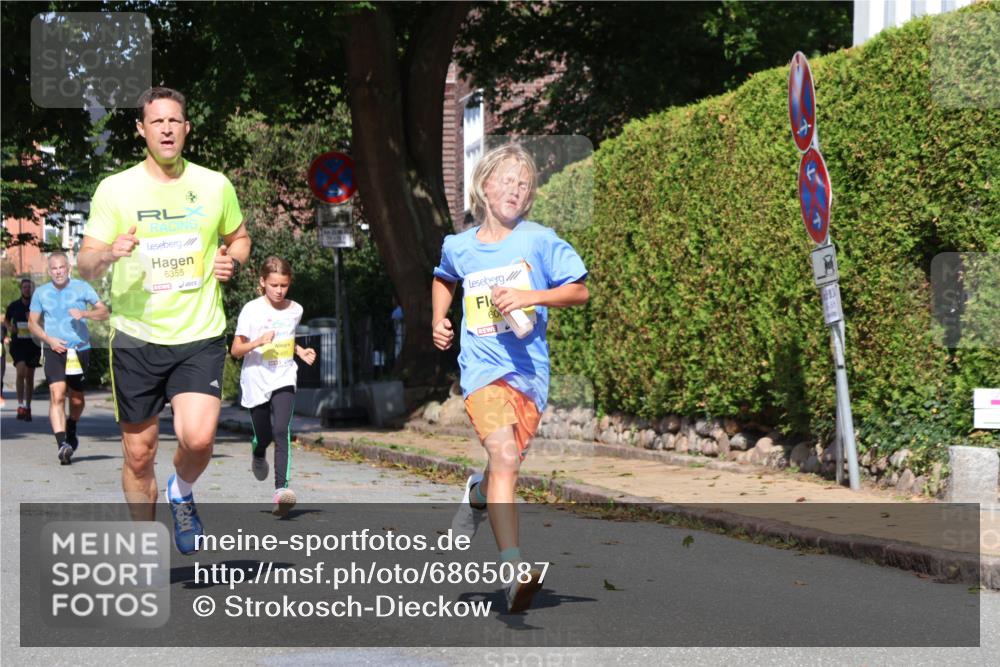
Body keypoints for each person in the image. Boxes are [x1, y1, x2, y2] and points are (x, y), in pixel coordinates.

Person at [77, 86, 250, 554]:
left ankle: (181, 490)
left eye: (175, 121)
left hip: (199, 332)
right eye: (157, 121)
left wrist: (231, 261)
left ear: (186, 128)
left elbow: (239, 238)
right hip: (136, 337)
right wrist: (109, 253)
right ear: (142, 130)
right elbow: (85, 264)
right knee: (139, 455)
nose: (167, 129)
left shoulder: (214, 185)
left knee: (199, 438)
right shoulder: (115, 189)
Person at [431, 143, 589, 613]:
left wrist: (530, 297)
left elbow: (578, 291)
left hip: (529, 375)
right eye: (506, 181)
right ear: (484, 186)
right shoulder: (459, 246)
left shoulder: (539, 240)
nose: (515, 190)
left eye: (524, 185)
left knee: (504, 467)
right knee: (503, 457)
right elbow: (444, 277)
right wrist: (438, 319)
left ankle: (476, 495)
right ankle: (513, 571)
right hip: (482, 371)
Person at [230, 256, 316, 517]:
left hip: (284, 375)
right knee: (264, 435)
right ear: (262, 282)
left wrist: (299, 351)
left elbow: (287, 335)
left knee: (281, 429)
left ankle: (281, 491)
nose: (279, 291)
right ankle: (258, 451)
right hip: (256, 378)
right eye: (274, 285)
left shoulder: (295, 309)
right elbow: (236, 350)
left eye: (284, 285)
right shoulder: (251, 310)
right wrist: (258, 342)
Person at [27, 252, 109, 464]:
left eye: (61, 267)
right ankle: (62, 443)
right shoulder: (41, 293)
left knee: (77, 399)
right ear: (49, 271)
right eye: (54, 268)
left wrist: (85, 314)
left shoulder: (82, 288)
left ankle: (72, 424)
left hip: (79, 350)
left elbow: (104, 312)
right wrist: (49, 339)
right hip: (54, 350)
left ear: (68, 268)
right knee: (57, 394)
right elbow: (32, 323)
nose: (58, 272)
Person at [5, 278, 41, 420]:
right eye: (25, 287)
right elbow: (6, 320)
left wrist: (34, 321)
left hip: (33, 345)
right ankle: (20, 405)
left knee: (30, 376)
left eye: (29, 287)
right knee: (21, 371)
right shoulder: (14, 306)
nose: (27, 289)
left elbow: (44, 322)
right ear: (21, 289)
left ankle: (28, 406)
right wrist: (10, 328)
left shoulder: (37, 306)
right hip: (18, 344)